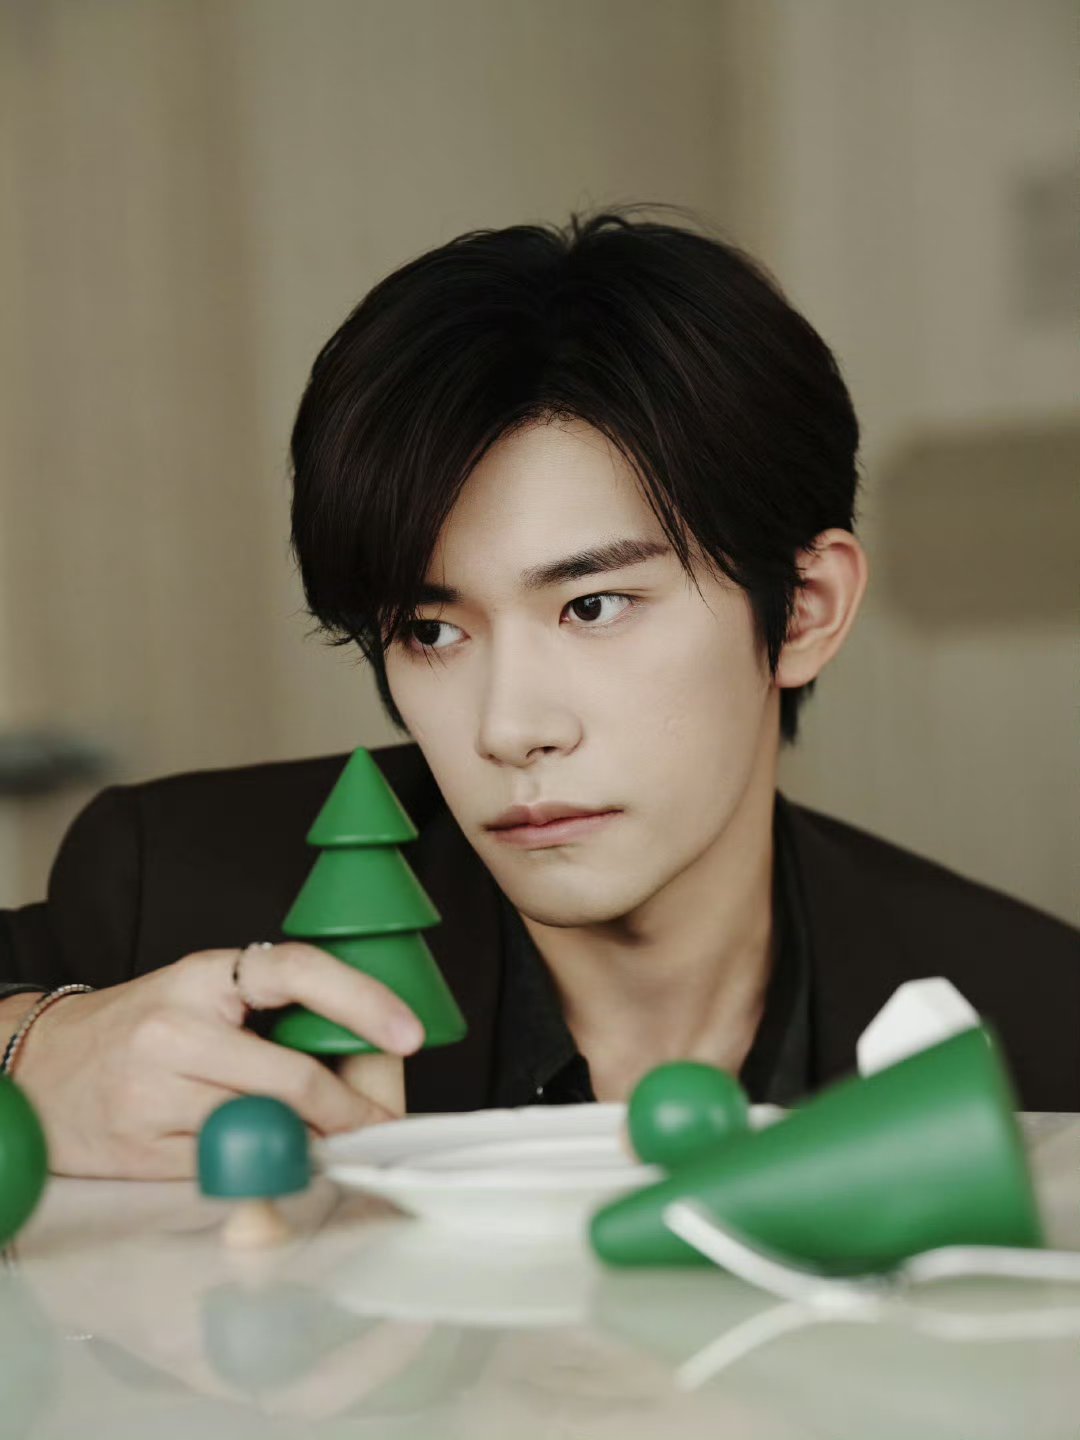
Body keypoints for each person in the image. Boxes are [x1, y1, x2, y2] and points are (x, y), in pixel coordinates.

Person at [2, 206, 1076, 1180]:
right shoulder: (175, 890)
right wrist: (31, 1052)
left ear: (803, 611)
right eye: (432, 631)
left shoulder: (1038, 1017)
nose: (511, 728)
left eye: (594, 606)